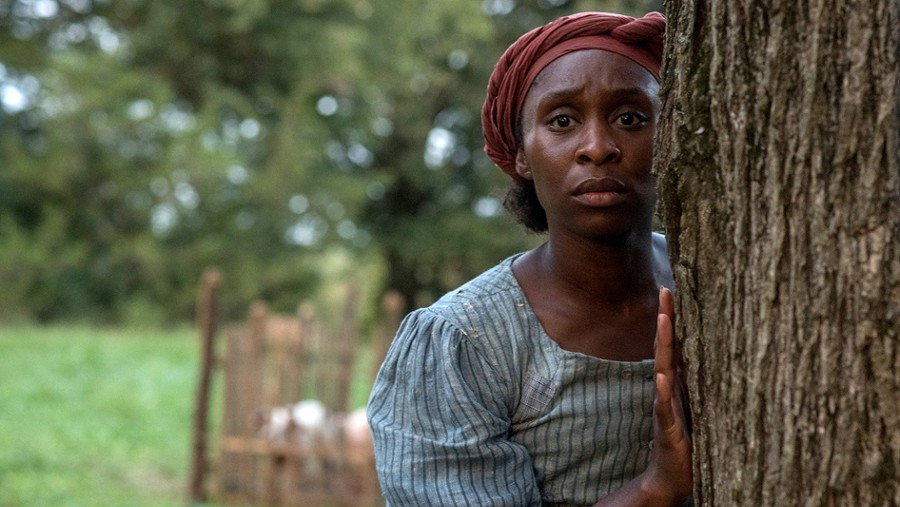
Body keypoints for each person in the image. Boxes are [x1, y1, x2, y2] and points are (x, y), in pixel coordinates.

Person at [367, 11, 692, 506]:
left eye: (630, 118)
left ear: (667, 137)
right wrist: (657, 487)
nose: (598, 148)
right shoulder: (463, 343)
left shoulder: (707, 283)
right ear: (521, 152)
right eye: (562, 121)